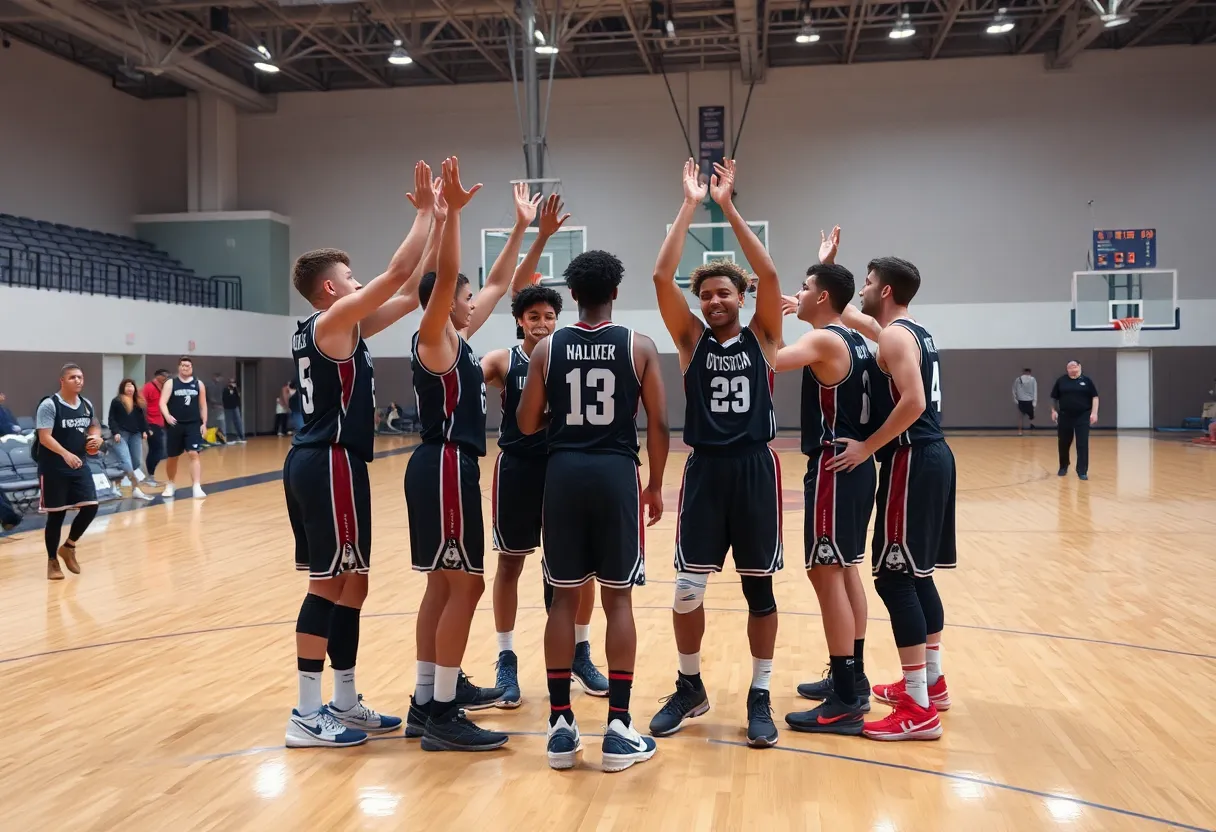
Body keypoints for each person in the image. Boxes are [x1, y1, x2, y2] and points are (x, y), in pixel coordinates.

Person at [283, 159, 436, 748]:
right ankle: (306, 711)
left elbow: (411, 290)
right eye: (351, 277)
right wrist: (423, 212)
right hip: (326, 461)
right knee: (327, 583)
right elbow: (399, 270)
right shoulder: (332, 320)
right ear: (331, 289)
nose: (358, 282)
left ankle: (343, 700)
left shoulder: (342, 327)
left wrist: (442, 224)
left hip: (335, 461)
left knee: (354, 582)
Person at [646, 159, 783, 747]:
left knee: (759, 591)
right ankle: (689, 685)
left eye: (724, 292)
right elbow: (659, 277)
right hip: (704, 472)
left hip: (754, 470)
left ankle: (759, 693)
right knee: (686, 590)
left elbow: (771, 273)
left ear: (740, 296)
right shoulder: (689, 341)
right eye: (706, 295)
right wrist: (687, 205)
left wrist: (726, 206)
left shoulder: (766, 335)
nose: (714, 301)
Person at [517, 247, 669, 774]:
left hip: (564, 474)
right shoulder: (640, 346)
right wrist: (654, 485)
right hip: (614, 473)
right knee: (618, 600)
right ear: (616, 293)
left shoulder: (546, 349)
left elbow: (528, 421)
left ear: (573, 296)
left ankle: (561, 727)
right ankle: (619, 729)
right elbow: (659, 424)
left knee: (563, 600)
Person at [406, 160, 531, 752]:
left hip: (444, 468)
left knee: (441, 587)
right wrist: (451, 213)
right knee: (468, 586)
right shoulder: (433, 335)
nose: (472, 296)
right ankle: (444, 715)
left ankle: (426, 699)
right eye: (463, 292)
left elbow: (501, 283)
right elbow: (446, 271)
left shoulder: (459, 336)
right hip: (445, 465)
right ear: (444, 299)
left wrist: (522, 231)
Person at [481, 196, 610, 708]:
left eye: (549, 315)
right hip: (517, 468)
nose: (541, 322)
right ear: (520, 322)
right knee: (511, 564)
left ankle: (580, 652)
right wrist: (534, 233)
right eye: (532, 316)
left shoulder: (568, 352)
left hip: (564, 470)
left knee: (579, 569)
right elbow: (513, 287)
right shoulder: (499, 359)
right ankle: (507, 659)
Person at [828, 256, 955, 742]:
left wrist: (867, 447)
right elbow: (860, 320)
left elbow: (914, 402)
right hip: (933, 457)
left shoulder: (897, 337)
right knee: (917, 575)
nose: (862, 288)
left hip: (911, 459)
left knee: (895, 578)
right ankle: (930, 681)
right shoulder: (912, 330)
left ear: (883, 290)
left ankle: (918, 709)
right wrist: (823, 293)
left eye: (866, 282)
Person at [776, 259, 876, 737]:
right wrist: (809, 296)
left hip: (835, 466)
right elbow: (827, 301)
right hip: (856, 467)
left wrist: (763, 315)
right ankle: (853, 677)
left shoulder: (821, 340)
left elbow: (770, 357)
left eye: (804, 288)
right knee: (846, 569)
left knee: (825, 574)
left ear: (821, 298)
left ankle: (844, 700)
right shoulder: (855, 336)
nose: (797, 292)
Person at [35, 363, 103, 580]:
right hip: (53, 467)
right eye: (73, 377)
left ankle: (69, 546)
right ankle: (52, 561)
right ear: (62, 381)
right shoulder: (49, 405)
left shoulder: (86, 404)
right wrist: (64, 453)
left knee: (91, 507)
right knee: (57, 515)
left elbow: (93, 425)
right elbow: (44, 437)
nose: (78, 381)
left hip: (78, 463)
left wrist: (96, 438)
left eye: (81, 377)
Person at [160, 357, 207, 499]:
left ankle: (197, 486)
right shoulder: (171, 383)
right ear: (179, 367)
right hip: (176, 424)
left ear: (192, 367)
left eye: (188, 365)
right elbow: (162, 402)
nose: (186, 368)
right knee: (173, 456)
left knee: (194, 454)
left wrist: (204, 423)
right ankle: (171, 483)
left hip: (193, 424)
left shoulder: (198, 384)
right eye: (183, 365)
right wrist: (167, 415)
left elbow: (203, 405)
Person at [1051, 361, 1098, 480]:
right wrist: (1053, 411)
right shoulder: (1061, 381)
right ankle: (1063, 466)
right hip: (1065, 415)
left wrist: (1094, 413)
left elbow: (1095, 397)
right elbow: (1054, 398)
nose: (1072, 369)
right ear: (1067, 369)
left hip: (1083, 415)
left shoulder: (1087, 381)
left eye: (1074, 366)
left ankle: (1082, 470)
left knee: (1082, 443)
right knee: (1064, 442)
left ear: (1079, 367)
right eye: (1069, 367)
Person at [107, 378, 153, 501]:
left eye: (132, 386)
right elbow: (112, 418)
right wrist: (115, 432)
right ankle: (135, 488)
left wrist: (145, 431)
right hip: (121, 434)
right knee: (126, 462)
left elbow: (142, 419)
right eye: (127, 386)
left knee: (135, 462)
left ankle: (116, 481)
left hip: (136, 434)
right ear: (123, 388)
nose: (130, 388)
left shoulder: (139, 402)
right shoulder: (117, 401)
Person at [142, 369, 169, 485]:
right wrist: (146, 426)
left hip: (161, 422)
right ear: (158, 376)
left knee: (158, 451)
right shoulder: (148, 387)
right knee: (157, 450)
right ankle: (149, 476)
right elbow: (141, 406)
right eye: (165, 377)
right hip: (151, 423)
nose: (166, 379)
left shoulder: (164, 388)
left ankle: (150, 475)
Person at [1013, 369, 1037, 435]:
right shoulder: (1032, 379)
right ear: (1029, 372)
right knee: (1031, 416)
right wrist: (1034, 402)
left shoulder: (1018, 379)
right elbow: (1035, 390)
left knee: (1020, 416)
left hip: (1021, 400)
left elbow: (1014, 389)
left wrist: (1015, 399)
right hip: (1029, 400)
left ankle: (1020, 431)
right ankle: (1032, 430)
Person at [222, 379, 245, 443]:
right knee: (227, 423)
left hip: (235, 407)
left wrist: (235, 389)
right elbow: (225, 399)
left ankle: (241, 436)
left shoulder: (236, 390)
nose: (232, 384)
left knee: (238, 422)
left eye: (233, 382)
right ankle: (227, 437)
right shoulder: (225, 390)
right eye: (231, 382)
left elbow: (238, 397)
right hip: (227, 408)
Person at [209, 372, 228, 443]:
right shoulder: (212, 386)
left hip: (219, 407)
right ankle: (218, 438)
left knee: (221, 422)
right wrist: (215, 403)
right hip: (215, 407)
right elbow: (211, 397)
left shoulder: (220, 386)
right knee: (217, 423)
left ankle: (223, 438)